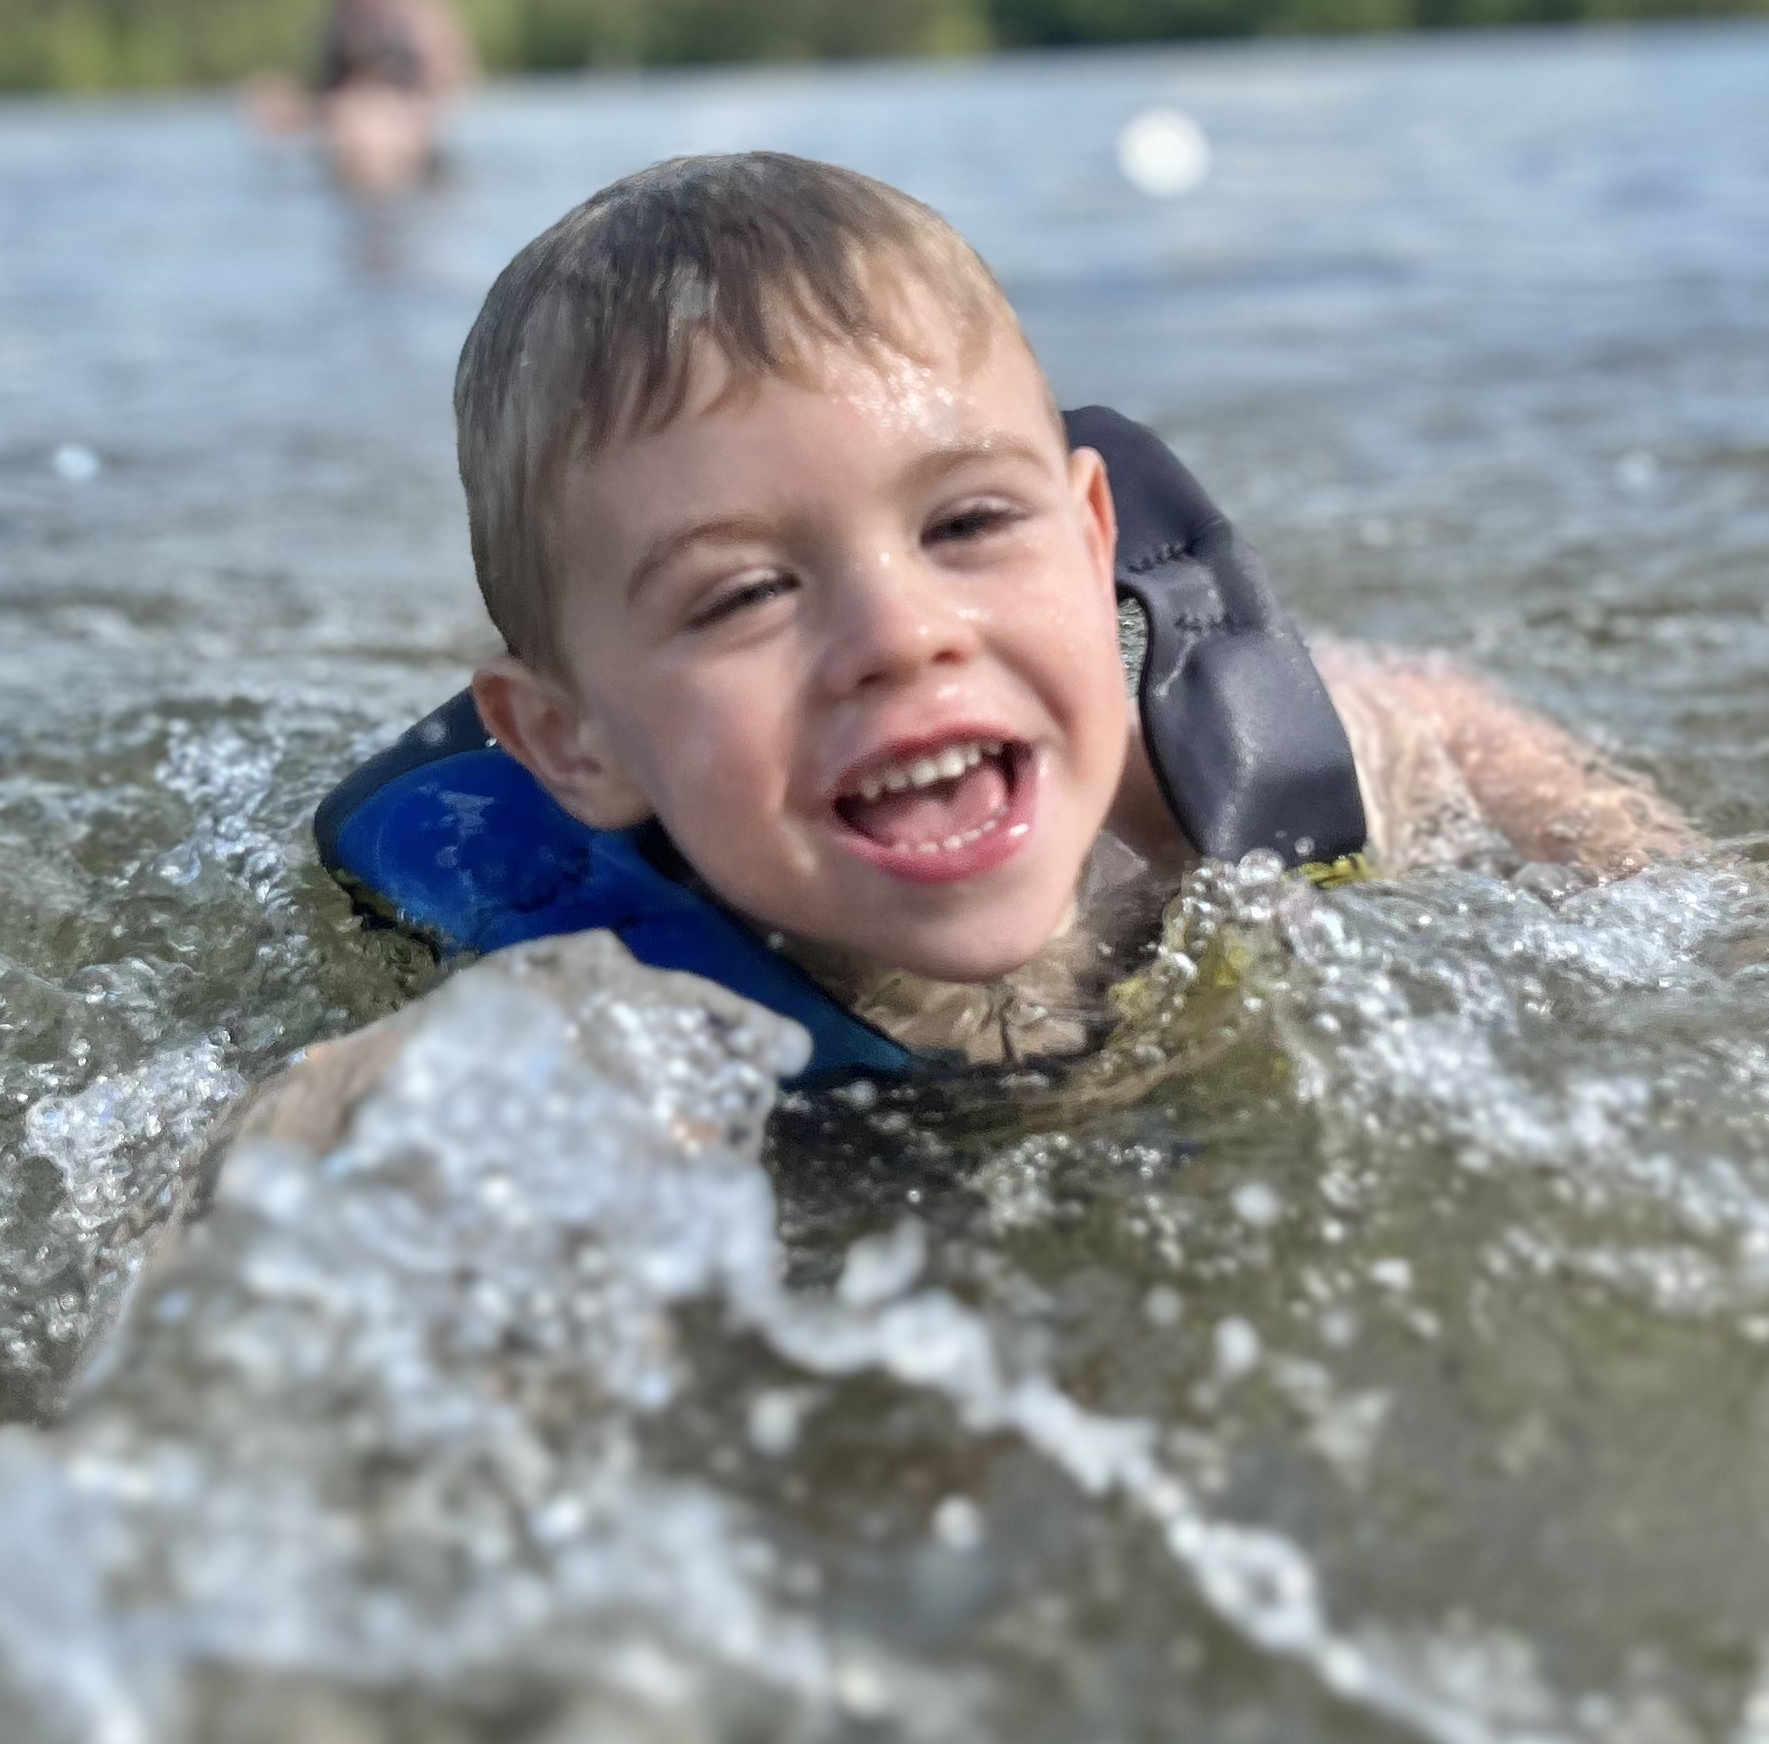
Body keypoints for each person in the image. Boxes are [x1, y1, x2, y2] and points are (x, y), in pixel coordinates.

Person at [241, 151, 1690, 1150]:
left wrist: (1662, 879)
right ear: (574, 741)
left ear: (1092, 544)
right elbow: (292, 1149)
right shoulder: (605, 1018)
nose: (901, 634)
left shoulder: (1199, 797)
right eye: (742, 595)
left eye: (969, 523)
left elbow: (1442, 710)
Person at [300, 0, 478, 196]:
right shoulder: (340, 16)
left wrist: (412, 111)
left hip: (402, 122)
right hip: (349, 124)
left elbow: (454, 72)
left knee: (372, 147)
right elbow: (326, 84)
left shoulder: (418, 11)